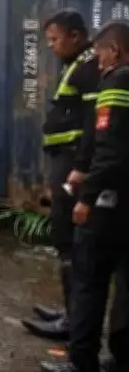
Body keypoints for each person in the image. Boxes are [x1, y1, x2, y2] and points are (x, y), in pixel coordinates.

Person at [40, 20, 129, 372]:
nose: (99, 62)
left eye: (102, 54)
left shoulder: (117, 80)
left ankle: (81, 362)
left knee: (89, 280)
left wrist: (86, 197)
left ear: (115, 51)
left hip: (110, 201)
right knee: (125, 286)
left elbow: (110, 151)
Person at [22, 9, 101, 342]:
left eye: (55, 39)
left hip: (73, 166)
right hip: (65, 163)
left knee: (69, 240)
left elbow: (92, 125)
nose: (51, 46)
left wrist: (78, 171)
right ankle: (69, 311)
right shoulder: (77, 65)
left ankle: (73, 321)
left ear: (75, 36)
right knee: (63, 237)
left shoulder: (88, 68)